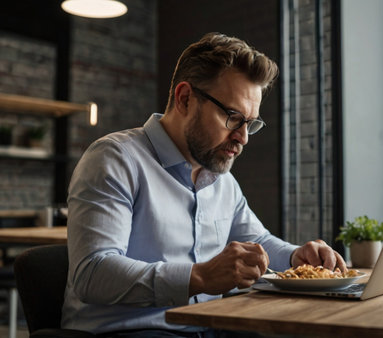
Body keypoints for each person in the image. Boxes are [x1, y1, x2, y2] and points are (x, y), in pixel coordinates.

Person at [61, 32, 346, 337]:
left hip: (206, 326)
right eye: (233, 117)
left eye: (250, 124)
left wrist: (295, 256)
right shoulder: (115, 160)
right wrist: (197, 277)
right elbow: (92, 273)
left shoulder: (222, 180)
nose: (243, 137)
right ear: (185, 98)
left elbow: (257, 240)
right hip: (126, 331)